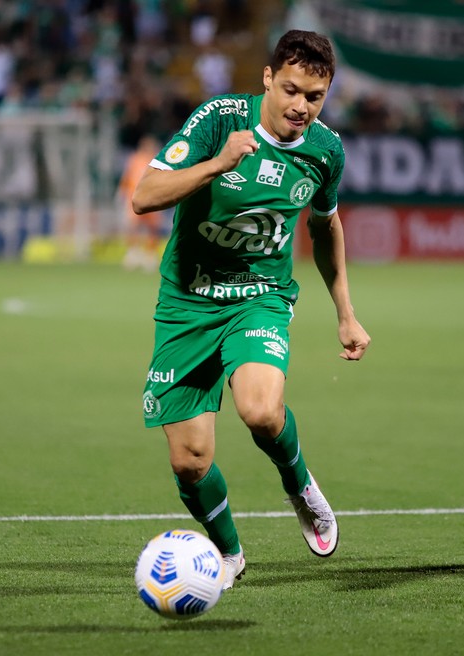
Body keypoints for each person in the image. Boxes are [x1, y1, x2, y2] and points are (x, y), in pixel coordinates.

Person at [131, 29, 371, 589]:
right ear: (267, 78)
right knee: (189, 461)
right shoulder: (220, 119)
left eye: (314, 96)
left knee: (261, 411)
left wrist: (346, 311)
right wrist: (217, 164)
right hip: (187, 303)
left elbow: (325, 223)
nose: (300, 106)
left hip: (257, 299)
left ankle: (300, 484)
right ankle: (230, 554)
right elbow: (144, 196)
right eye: (290, 90)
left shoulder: (326, 151)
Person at [118, 134, 164, 271]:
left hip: (153, 198)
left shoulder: (158, 160)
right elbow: (127, 177)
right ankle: (133, 252)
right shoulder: (135, 159)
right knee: (133, 226)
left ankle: (150, 254)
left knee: (152, 228)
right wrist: (122, 192)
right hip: (135, 198)